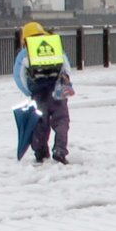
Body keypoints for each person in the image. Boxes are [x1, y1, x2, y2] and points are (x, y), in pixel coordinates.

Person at [14, 21, 74, 163]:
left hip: (38, 92)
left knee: (41, 121)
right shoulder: (54, 46)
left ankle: (40, 152)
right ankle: (60, 149)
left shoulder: (25, 52)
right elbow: (66, 67)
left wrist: (28, 92)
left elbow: (19, 76)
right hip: (58, 90)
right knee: (61, 121)